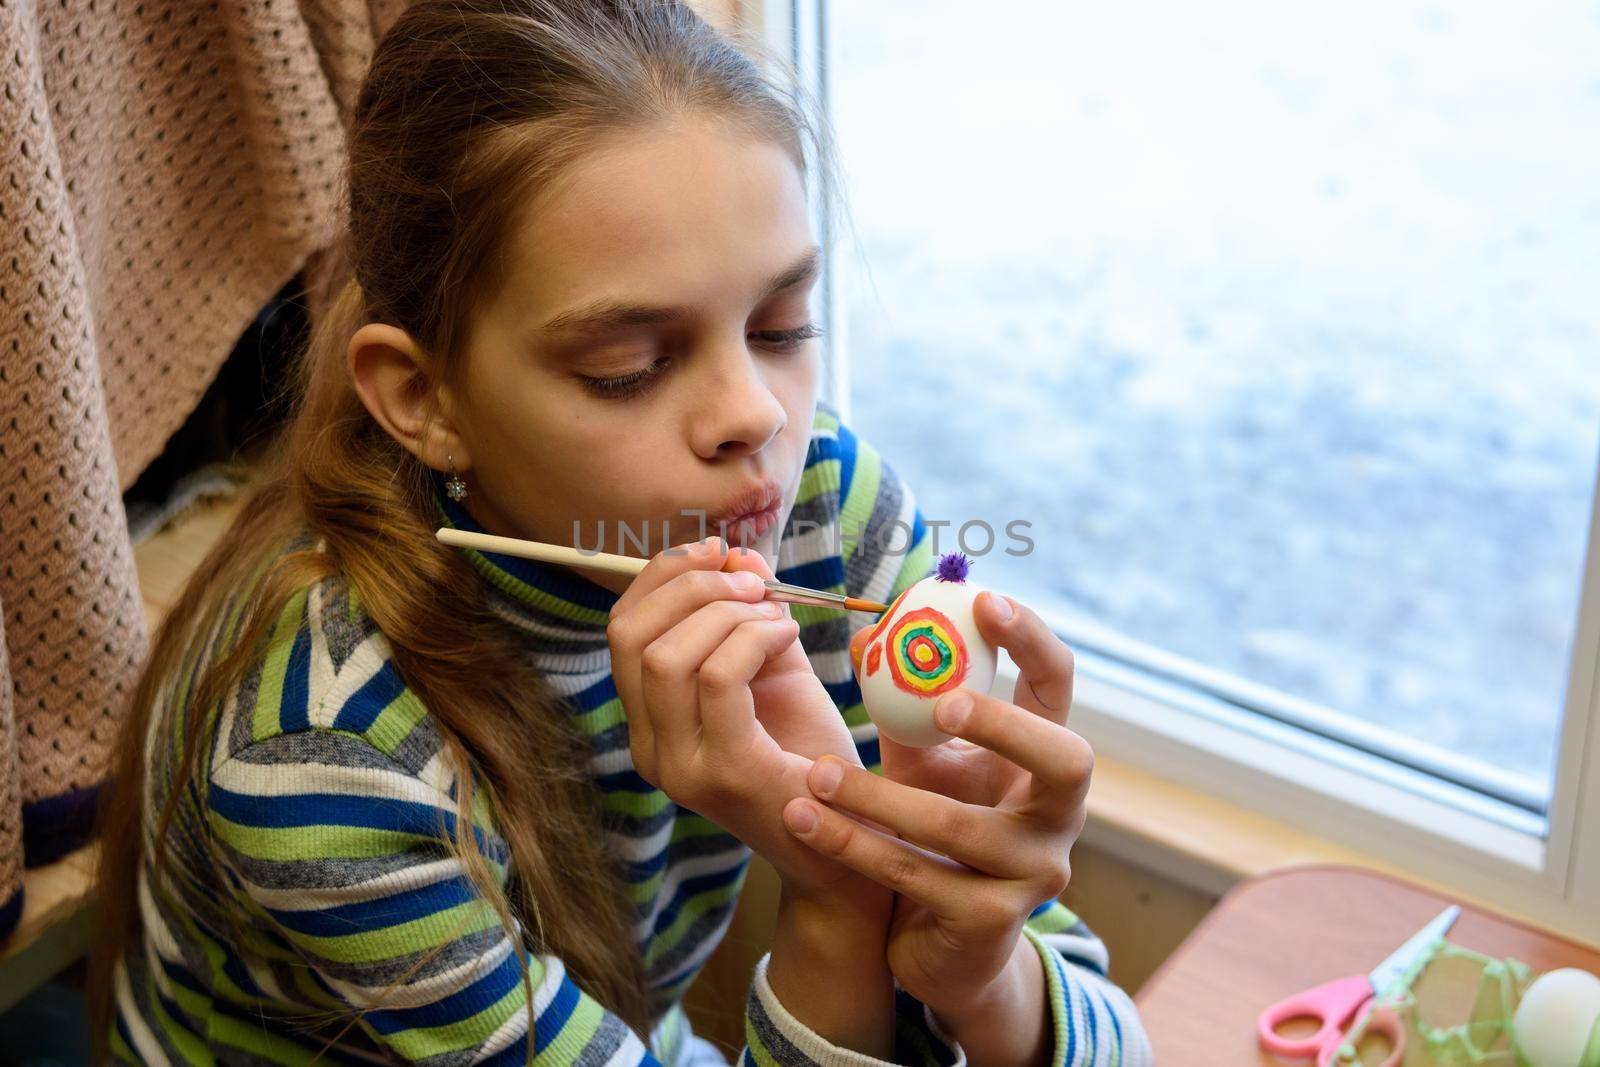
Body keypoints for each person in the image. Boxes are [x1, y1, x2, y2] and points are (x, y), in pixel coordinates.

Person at [88, 2, 1153, 1064]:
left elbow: (1114, 1044)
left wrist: (987, 968)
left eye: (779, 327)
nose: (757, 415)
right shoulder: (332, 745)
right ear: (426, 398)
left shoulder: (820, 512)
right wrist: (839, 895)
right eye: (628, 369)